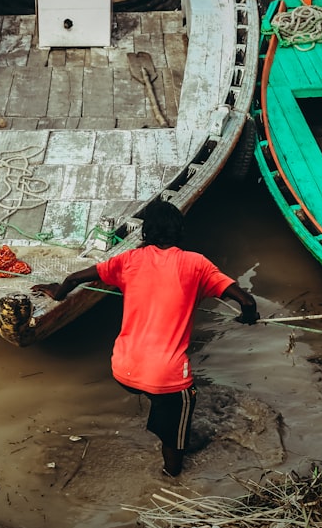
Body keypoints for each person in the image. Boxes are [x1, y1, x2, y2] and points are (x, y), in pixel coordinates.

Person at [32, 199, 259, 477]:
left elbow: (75, 278)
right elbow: (246, 301)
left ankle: (164, 420)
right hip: (163, 376)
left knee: (160, 397)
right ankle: (171, 477)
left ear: (145, 234)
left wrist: (57, 293)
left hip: (122, 369)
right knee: (179, 420)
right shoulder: (196, 263)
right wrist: (248, 316)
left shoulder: (130, 259)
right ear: (180, 232)